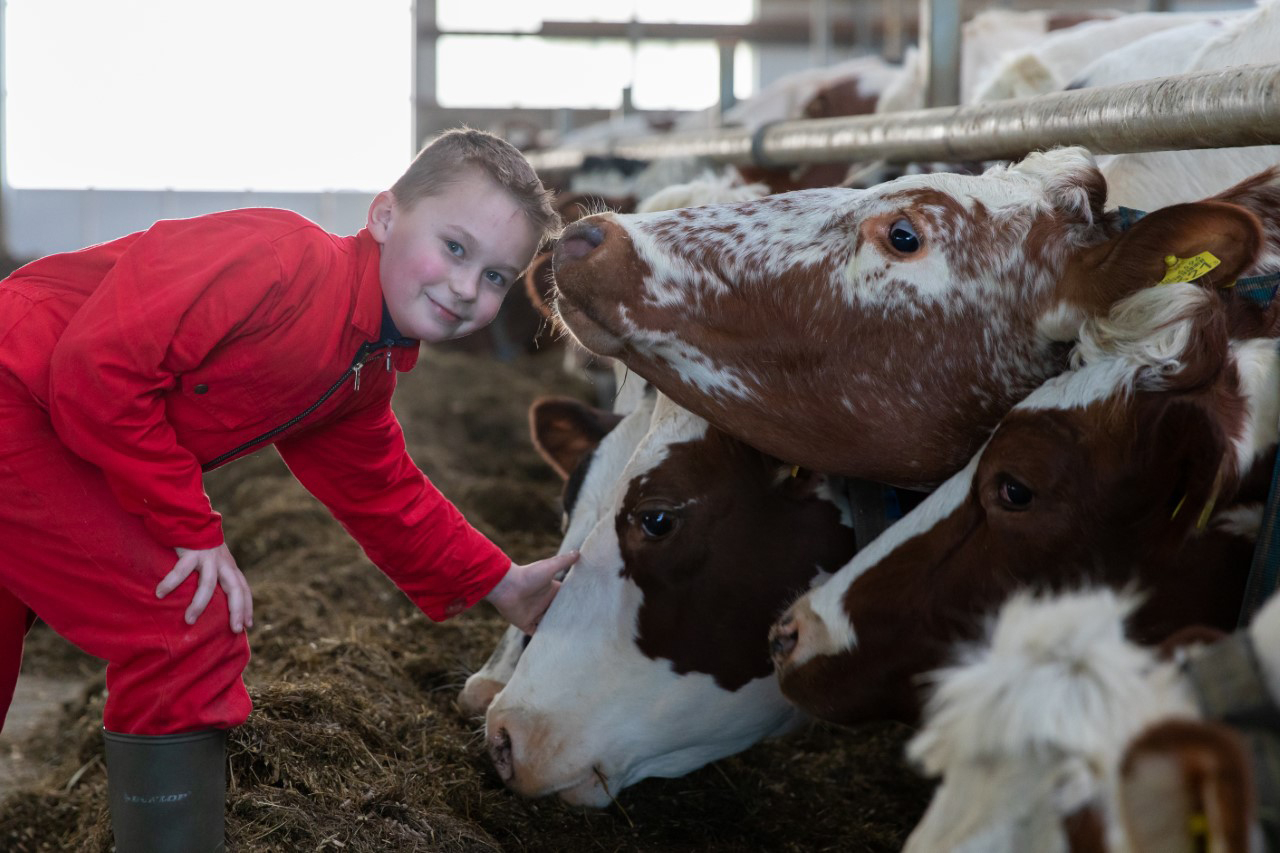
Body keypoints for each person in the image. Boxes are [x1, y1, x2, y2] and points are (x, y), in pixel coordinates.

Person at [0, 127, 575, 851]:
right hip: (18, 392)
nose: (467, 287)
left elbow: (382, 489)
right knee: (186, 621)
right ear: (385, 217)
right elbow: (94, 367)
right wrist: (192, 525)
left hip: (45, 425)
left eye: (497, 276)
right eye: (456, 248)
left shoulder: (361, 365)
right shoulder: (278, 262)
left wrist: (503, 583)